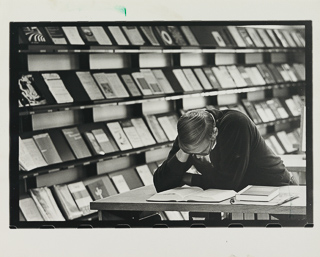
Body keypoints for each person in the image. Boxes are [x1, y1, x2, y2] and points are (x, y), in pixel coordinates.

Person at [153, 108, 297, 193]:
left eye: (203, 151)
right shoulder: (190, 134)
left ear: (214, 133)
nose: (196, 156)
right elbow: (161, 184)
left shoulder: (235, 124)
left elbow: (227, 183)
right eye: (191, 153)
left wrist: (186, 178)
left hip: (277, 189)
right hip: (241, 195)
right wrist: (183, 152)